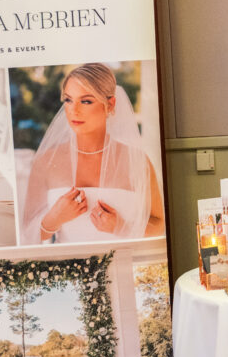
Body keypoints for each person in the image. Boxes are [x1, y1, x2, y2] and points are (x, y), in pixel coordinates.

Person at [22, 63, 165, 244]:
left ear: (110, 104)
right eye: (68, 100)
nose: (74, 110)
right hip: (69, 269)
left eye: (86, 101)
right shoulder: (45, 162)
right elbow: (26, 234)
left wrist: (121, 227)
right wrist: (54, 219)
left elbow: (159, 224)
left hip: (125, 266)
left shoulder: (136, 161)